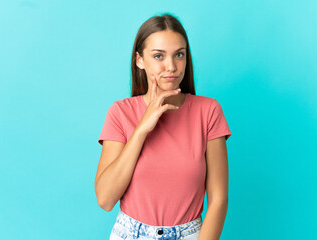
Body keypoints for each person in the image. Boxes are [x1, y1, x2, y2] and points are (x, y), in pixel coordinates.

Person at [95, 13, 232, 240]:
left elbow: (218, 200)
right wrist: (141, 130)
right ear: (139, 60)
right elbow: (106, 199)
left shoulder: (208, 112)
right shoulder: (120, 113)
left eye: (179, 54)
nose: (171, 66)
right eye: (158, 56)